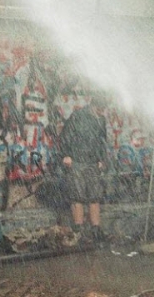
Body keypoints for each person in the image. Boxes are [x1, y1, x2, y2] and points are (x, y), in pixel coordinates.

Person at [59, 92, 109, 242]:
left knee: (95, 197)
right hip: (77, 161)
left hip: (93, 162)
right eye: (99, 109)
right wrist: (66, 155)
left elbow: (102, 141)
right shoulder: (77, 116)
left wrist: (102, 159)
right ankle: (78, 231)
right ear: (93, 106)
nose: (101, 112)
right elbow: (65, 136)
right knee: (77, 197)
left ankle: (96, 230)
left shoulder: (101, 120)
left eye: (103, 109)